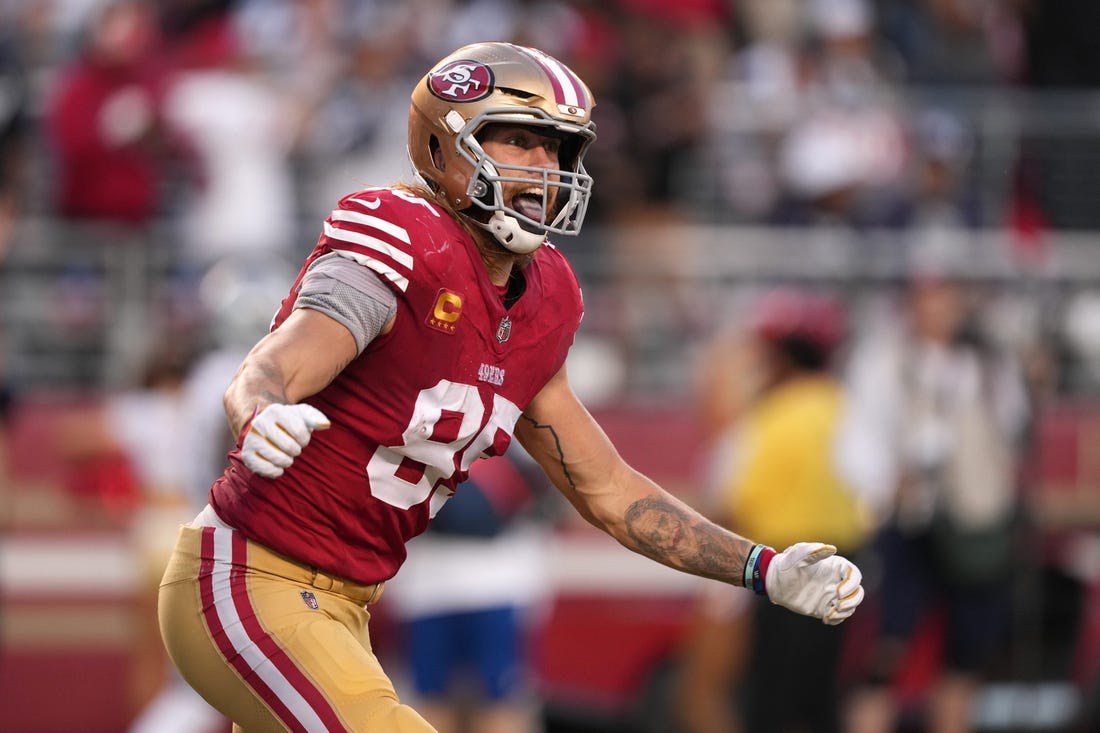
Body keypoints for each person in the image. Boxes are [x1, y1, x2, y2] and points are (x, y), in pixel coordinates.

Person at [157, 41, 865, 733]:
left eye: (556, 148)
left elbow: (609, 491)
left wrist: (761, 567)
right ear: (444, 148)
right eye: (520, 141)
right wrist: (262, 412)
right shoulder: (403, 240)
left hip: (343, 606)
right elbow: (273, 364)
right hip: (250, 581)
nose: (544, 165)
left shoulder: (543, 298)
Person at [675, 288, 874, 733]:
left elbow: (727, 501)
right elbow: (872, 489)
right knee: (820, 698)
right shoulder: (844, 408)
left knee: (756, 700)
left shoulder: (766, 419)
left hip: (768, 568)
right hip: (842, 568)